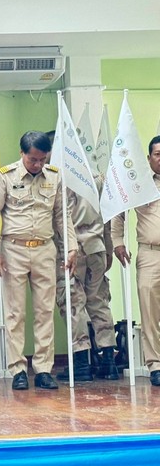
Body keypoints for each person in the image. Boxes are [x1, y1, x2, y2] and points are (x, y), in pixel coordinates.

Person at [0, 131, 77, 391]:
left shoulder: (55, 176)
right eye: (33, 159)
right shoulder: (5, 176)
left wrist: (71, 247)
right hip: (13, 249)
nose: (37, 165)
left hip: (45, 250)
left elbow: (62, 215)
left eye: (42, 160)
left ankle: (44, 370)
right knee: (15, 312)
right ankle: (17, 370)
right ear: (22, 153)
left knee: (45, 311)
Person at [53, 179, 119, 382]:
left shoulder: (59, 178)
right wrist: (108, 249)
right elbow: (107, 216)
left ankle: (82, 363)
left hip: (71, 250)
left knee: (73, 304)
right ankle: (109, 361)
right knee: (99, 302)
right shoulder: (96, 178)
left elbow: (58, 217)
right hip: (97, 246)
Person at [112, 135, 160, 387]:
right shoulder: (138, 183)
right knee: (149, 311)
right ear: (149, 158)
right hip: (151, 253)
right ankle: (156, 365)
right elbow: (119, 211)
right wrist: (117, 241)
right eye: (158, 155)